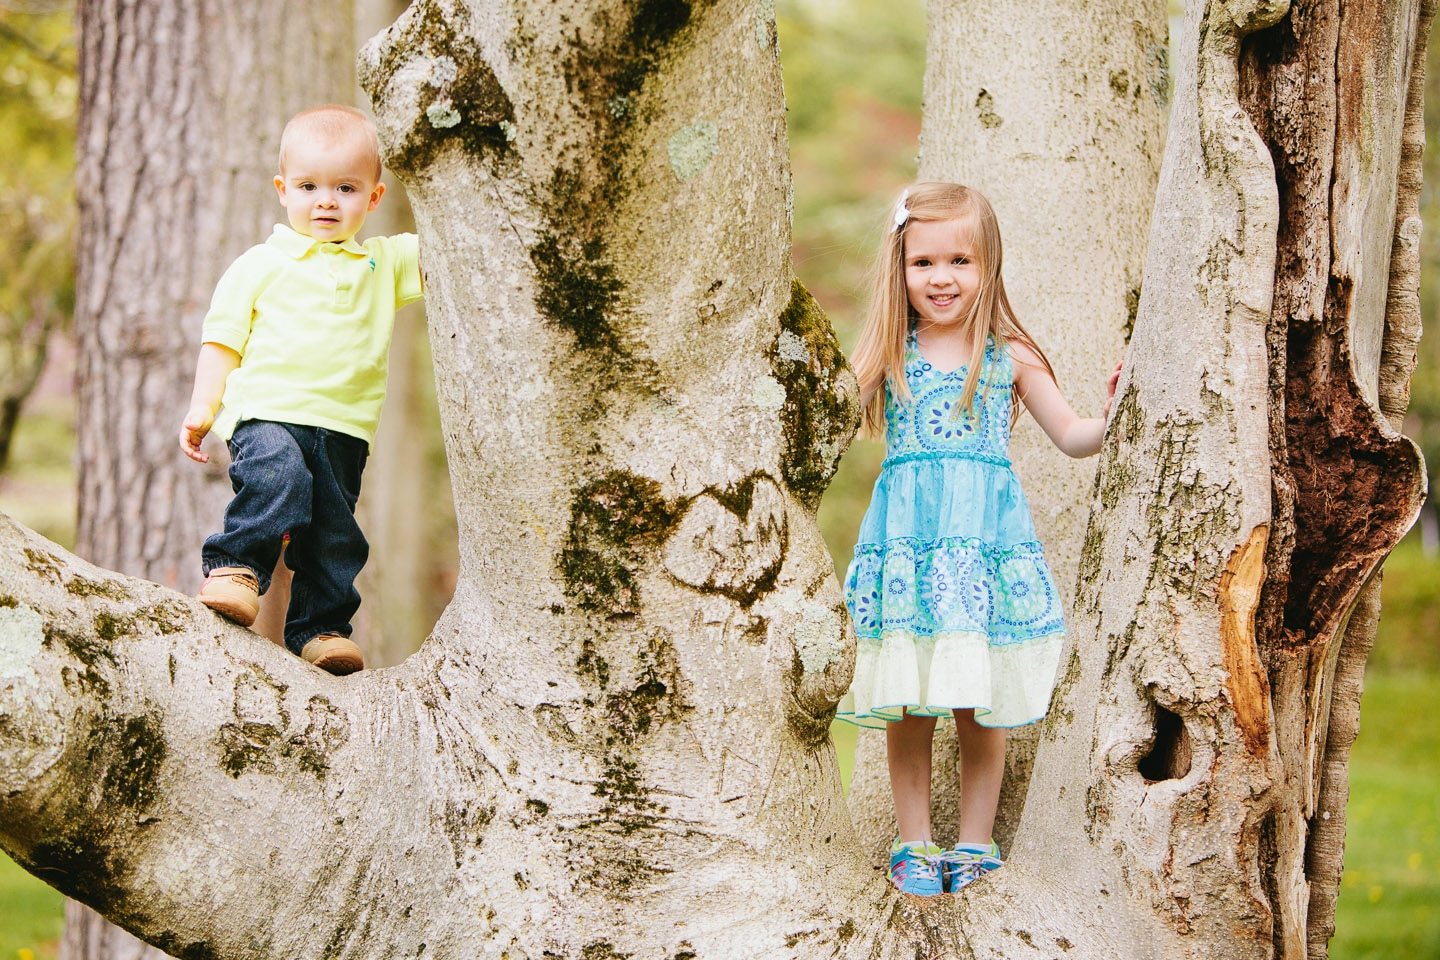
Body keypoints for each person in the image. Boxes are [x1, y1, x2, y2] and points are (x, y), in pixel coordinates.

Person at [839, 182, 1120, 896]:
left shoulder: (1008, 354)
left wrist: (1119, 407)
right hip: (909, 547)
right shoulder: (888, 353)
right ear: (899, 268)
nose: (941, 278)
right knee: (908, 701)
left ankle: (973, 842)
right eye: (924, 262)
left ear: (987, 264)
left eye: (959, 260)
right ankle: (913, 843)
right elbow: (826, 423)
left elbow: (1074, 435)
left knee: (976, 701)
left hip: (982, 553)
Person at [178, 104, 423, 676]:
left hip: (344, 427)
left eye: (346, 187)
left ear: (375, 197)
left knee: (335, 533)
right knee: (277, 479)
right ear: (283, 190)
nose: (327, 201)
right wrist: (202, 405)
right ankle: (236, 568)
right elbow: (223, 339)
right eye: (309, 186)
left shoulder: (382, 263)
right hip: (268, 412)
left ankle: (321, 629)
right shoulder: (261, 264)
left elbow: (449, 247)